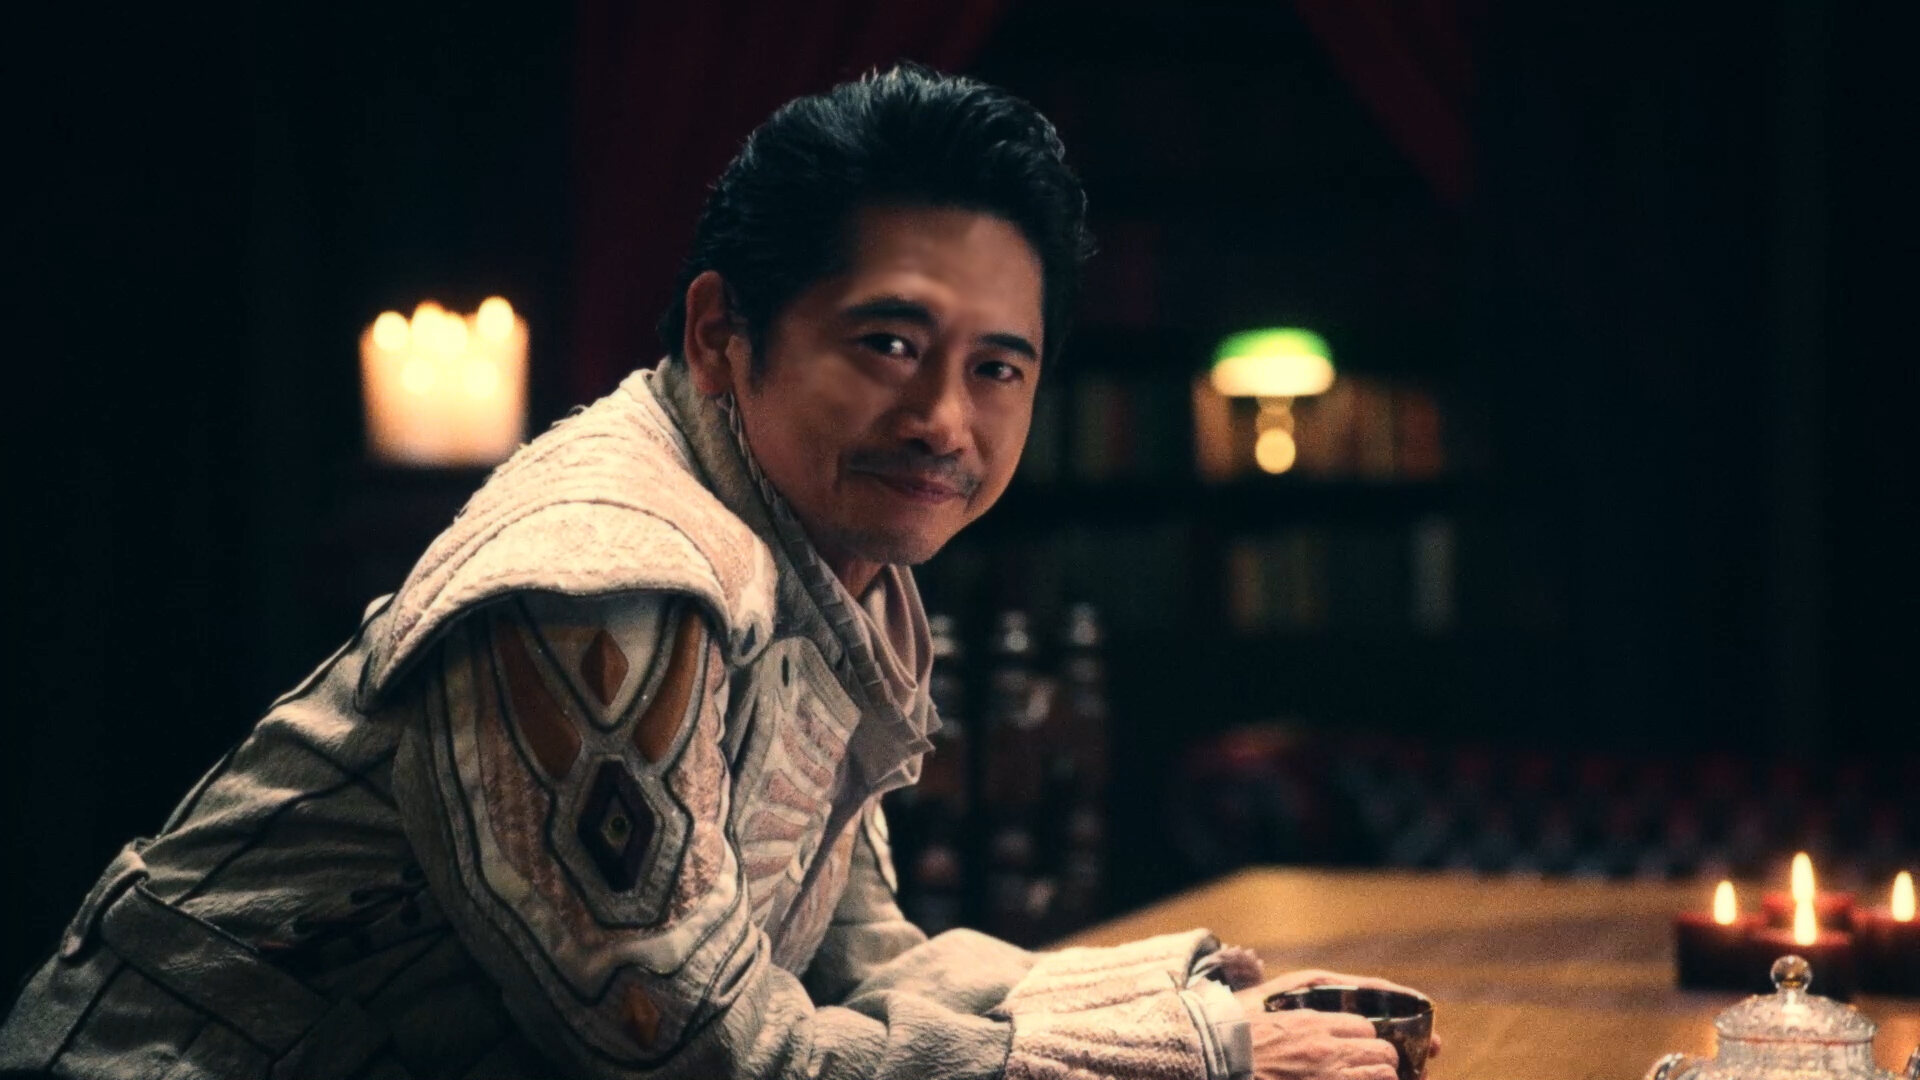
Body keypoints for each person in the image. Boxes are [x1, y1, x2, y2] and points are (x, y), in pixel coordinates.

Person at [0, 65, 1435, 1080]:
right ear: (718, 334)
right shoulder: (610, 574)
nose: (945, 419)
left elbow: (853, 957)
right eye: (888, 343)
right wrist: (1189, 1059)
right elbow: (701, 1057)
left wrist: (1204, 1003)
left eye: (999, 367)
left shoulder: (827, 550)